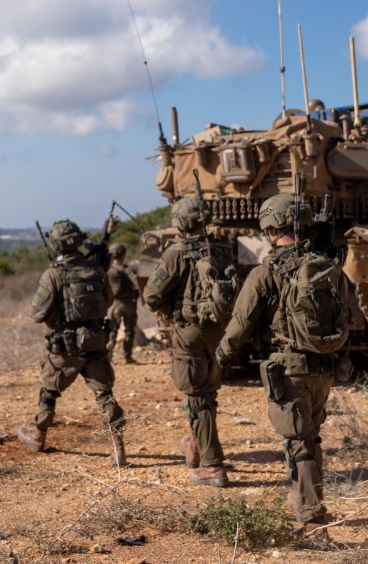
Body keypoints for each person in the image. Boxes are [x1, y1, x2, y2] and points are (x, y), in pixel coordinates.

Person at [218, 194, 351, 541]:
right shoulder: (328, 267)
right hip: (324, 368)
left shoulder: (266, 272)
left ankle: (313, 521)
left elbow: (240, 325)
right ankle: (306, 500)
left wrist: (221, 355)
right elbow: (352, 316)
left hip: (287, 371)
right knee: (311, 438)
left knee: (299, 442)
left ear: (272, 229)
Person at [143, 196, 234, 487]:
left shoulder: (176, 253)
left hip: (189, 331)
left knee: (196, 396)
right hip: (219, 331)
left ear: (180, 223)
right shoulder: (222, 249)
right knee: (208, 392)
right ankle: (196, 446)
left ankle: (212, 465)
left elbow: (151, 296)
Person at [18, 219, 126, 466]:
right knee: (104, 394)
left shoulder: (53, 274)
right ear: (79, 240)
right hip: (95, 343)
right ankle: (118, 448)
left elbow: (36, 313)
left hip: (66, 348)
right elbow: (108, 300)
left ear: (56, 245)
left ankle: (38, 434)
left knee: (49, 391)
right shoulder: (96, 271)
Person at [106, 242, 142, 364]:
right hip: (127, 303)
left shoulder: (107, 270)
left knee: (112, 331)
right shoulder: (127, 269)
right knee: (129, 330)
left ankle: (109, 356)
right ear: (123, 255)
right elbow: (137, 284)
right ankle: (127, 356)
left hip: (112, 304)